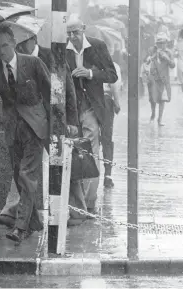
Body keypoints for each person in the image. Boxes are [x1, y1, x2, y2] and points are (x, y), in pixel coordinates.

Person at [0, 32, 80, 229]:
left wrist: (70, 120)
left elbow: (66, 89)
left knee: (62, 165)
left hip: (51, 121)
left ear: (31, 39)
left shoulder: (51, 57)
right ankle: (17, 213)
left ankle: (74, 209)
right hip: (25, 125)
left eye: (21, 42)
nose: (18, 48)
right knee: (25, 169)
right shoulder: (10, 63)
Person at [0, 24, 51, 243]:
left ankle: (21, 228)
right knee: (17, 174)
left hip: (34, 125)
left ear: (14, 42)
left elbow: (51, 92)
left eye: (5, 45)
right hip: (12, 128)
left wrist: (57, 125)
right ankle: (33, 222)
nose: (2, 50)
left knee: (26, 175)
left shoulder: (32, 63)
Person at [66, 15, 118, 219]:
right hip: (71, 109)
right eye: (69, 33)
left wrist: (89, 73)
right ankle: (76, 204)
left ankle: (88, 204)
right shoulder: (63, 49)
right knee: (74, 155)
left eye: (76, 32)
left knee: (91, 152)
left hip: (91, 107)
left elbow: (112, 75)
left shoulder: (97, 46)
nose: (72, 37)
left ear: (84, 29)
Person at [101, 61, 122, 188]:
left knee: (89, 138)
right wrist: (117, 102)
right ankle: (107, 174)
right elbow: (115, 85)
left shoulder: (88, 62)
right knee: (107, 138)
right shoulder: (113, 65)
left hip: (88, 101)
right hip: (106, 101)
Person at [149, 32, 175, 126]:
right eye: (159, 43)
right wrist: (153, 56)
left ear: (166, 43)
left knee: (162, 100)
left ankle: (159, 119)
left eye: (163, 43)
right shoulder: (152, 51)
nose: (161, 45)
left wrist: (167, 58)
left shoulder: (169, 52)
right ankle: (153, 114)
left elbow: (172, 65)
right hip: (153, 78)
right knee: (153, 99)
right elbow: (146, 62)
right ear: (156, 43)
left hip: (164, 79)